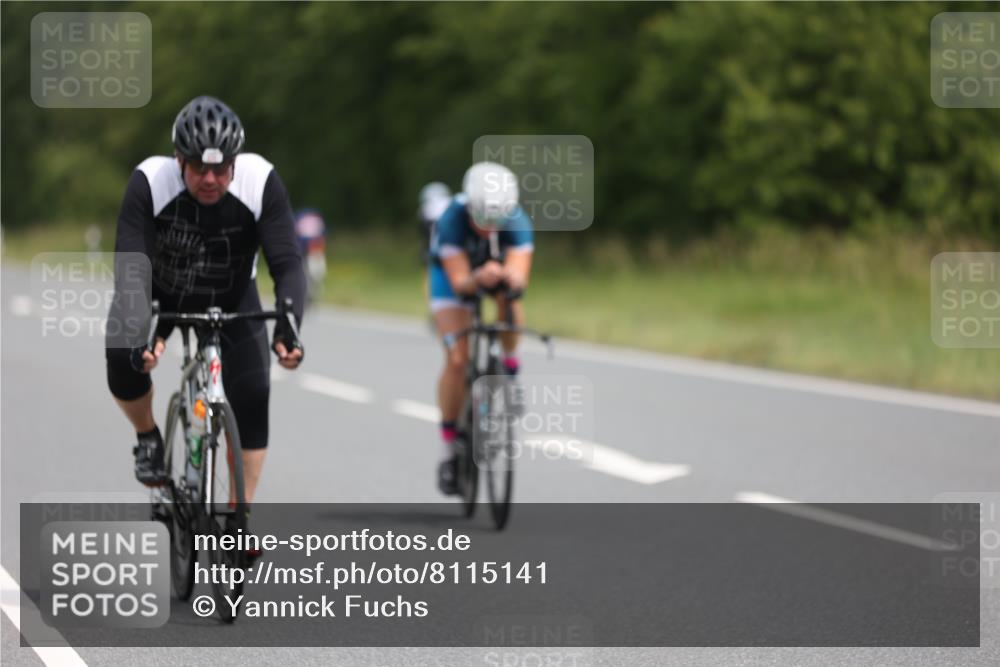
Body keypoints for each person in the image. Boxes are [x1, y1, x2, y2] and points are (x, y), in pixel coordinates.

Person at [106, 95, 305, 505]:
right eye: (199, 168)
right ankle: (147, 436)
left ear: (236, 161)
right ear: (179, 160)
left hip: (232, 295)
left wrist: (289, 326)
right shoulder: (151, 181)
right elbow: (132, 269)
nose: (210, 179)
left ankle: (239, 512)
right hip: (160, 294)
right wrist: (142, 329)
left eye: (220, 169)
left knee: (252, 392)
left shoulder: (260, 180)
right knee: (122, 345)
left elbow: (287, 263)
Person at [427, 162, 534, 495]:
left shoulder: (516, 221)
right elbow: (460, 283)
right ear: (469, 207)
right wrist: (476, 278)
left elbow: (520, 275)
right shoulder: (451, 220)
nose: (489, 229)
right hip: (451, 278)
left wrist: (508, 278)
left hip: (492, 272)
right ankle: (448, 450)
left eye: (495, 222)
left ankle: (511, 368)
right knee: (457, 359)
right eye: (481, 221)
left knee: (510, 298)